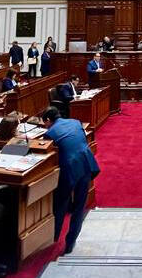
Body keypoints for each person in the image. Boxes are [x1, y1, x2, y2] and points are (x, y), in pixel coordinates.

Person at [41, 106, 99, 255]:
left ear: (48, 120)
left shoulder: (49, 133)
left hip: (69, 170)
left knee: (60, 204)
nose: (45, 126)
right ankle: (70, 243)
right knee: (80, 206)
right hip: (85, 163)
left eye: (44, 123)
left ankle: (53, 238)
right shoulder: (76, 122)